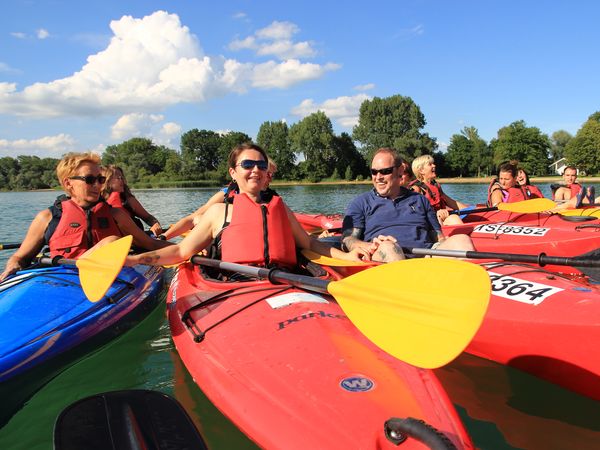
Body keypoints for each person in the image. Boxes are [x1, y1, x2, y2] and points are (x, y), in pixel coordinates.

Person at [126, 144, 367, 269]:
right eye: (248, 164)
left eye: (261, 165)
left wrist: (348, 256)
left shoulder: (279, 208)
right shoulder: (218, 212)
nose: (256, 170)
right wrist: (137, 260)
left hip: (285, 282)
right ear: (233, 172)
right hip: (236, 286)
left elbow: (310, 243)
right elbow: (180, 252)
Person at [0, 152, 171, 281]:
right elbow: (20, 257)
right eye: (90, 179)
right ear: (68, 183)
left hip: (108, 280)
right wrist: (13, 264)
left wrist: (190, 248)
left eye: (100, 179)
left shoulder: (116, 214)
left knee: (110, 241)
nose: (97, 185)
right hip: (61, 280)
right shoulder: (47, 218)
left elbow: (150, 243)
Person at [341, 148, 475, 263]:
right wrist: (370, 245)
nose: (378, 177)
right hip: (385, 255)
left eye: (385, 171)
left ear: (399, 171)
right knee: (389, 248)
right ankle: (406, 288)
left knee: (462, 240)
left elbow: (438, 236)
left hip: (426, 255)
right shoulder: (360, 203)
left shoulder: (420, 200)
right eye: (374, 172)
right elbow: (347, 240)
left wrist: (445, 244)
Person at [162, 158, 278, 240]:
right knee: (198, 218)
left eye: (272, 175)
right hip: (227, 236)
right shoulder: (227, 193)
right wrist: (164, 237)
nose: (270, 179)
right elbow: (192, 218)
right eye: (268, 174)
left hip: (255, 238)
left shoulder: (274, 198)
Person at [101, 165, 163, 236]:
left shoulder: (129, 200)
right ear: (107, 181)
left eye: (122, 177)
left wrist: (155, 224)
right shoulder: (99, 201)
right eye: (118, 178)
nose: (122, 181)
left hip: (138, 240)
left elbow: (148, 217)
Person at [409, 155, 469, 225]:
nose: (434, 165)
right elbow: (412, 212)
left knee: (454, 217)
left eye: (433, 163)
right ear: (421, 170)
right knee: (453, 218)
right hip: (429, 223)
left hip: (440, 220)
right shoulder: (416, 188)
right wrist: (435, 214)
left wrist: (469, 209)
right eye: (430, 164)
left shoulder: (436, 185)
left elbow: (450, 202)